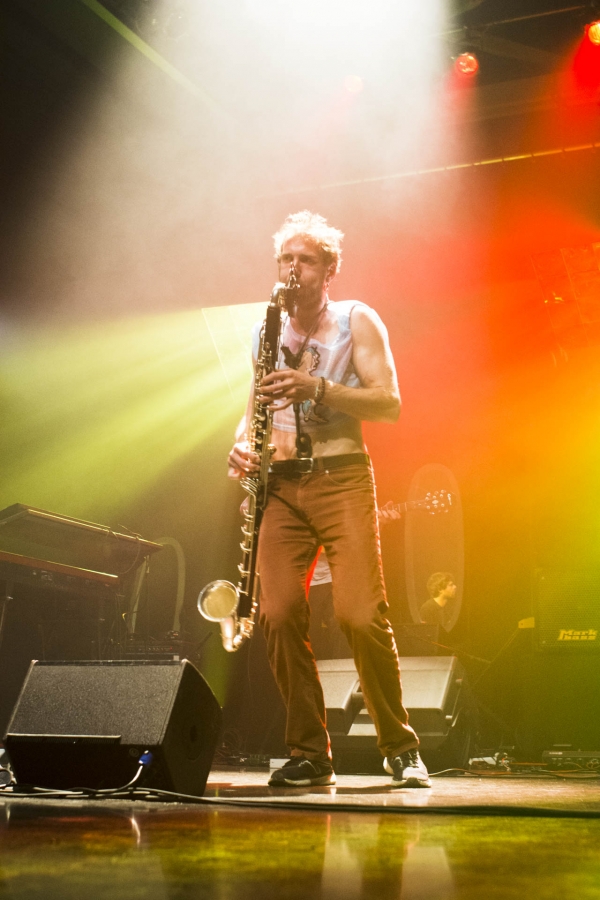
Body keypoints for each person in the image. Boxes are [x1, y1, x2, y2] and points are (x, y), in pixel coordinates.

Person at [228, 211, 430, 789]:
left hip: (340, 477)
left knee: (360, 615)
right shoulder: (265, 330)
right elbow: (254, 408)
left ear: (329, 269)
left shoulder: (355, 319)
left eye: (307, 259)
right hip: (279, 487)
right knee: (276, 614)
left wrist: (316, 387)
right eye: (286, 259)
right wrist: (240, 446)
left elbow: (389, 403)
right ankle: (310, 753)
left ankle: (399, 747)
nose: (294, 269)